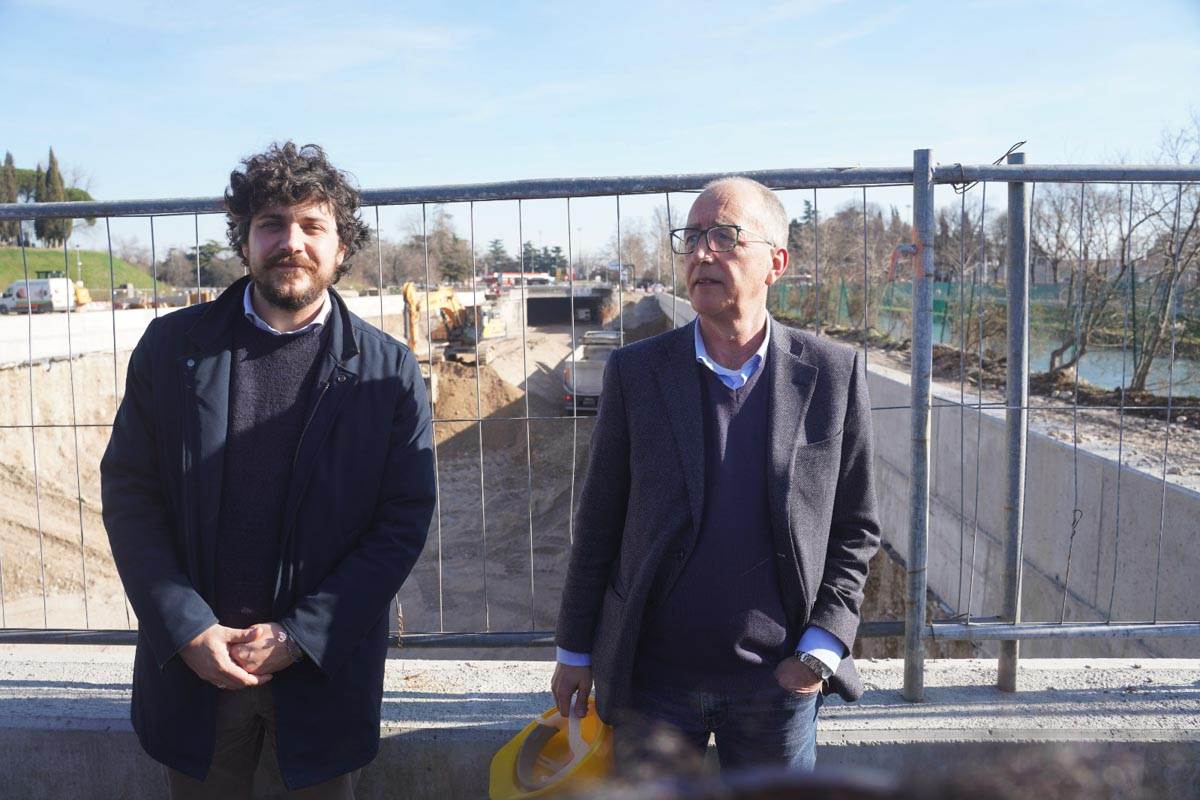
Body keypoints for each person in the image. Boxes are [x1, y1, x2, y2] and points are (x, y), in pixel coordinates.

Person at [101, 142, 436, 798]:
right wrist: (186, 627)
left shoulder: (389, 371)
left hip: (320, 679)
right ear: (245, 240)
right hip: (197, 677)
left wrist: (301, 635)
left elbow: (401, 524)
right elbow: (131, 496)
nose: (292, 242)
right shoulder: (171, 350)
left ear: (341, 246)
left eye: (313, 225)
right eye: (271, 224)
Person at [552, 176, 881, 771]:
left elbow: (855, 527)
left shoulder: (833, 374)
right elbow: (599, 518)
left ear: (776, 263)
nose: (702, 252)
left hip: (776, 688)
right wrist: (574, 649)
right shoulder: (637, 373)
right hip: (653, 685)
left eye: (725, 237)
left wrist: (820, 648)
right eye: (693, 237)